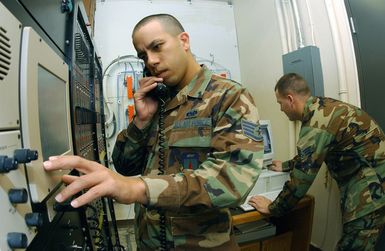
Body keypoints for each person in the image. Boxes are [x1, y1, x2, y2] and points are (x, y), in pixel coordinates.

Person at [43, 14, 264, 250]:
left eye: (157, 47)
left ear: (184, 41)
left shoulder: (228, 96)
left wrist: (138, 188)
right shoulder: (158, 101)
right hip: (149, 242)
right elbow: (124, 166)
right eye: (143, 56)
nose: (151, 61)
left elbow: (233, 180)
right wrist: (141, 121)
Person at [248, 73, 385, 251]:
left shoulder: (315, 123)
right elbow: (311, 155)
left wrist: (273, 208)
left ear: (290, 99)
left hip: (371, 190)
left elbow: (301, 180)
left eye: (280, 103)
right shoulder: (323, 107)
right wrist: (286, 165)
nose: (281, 109)